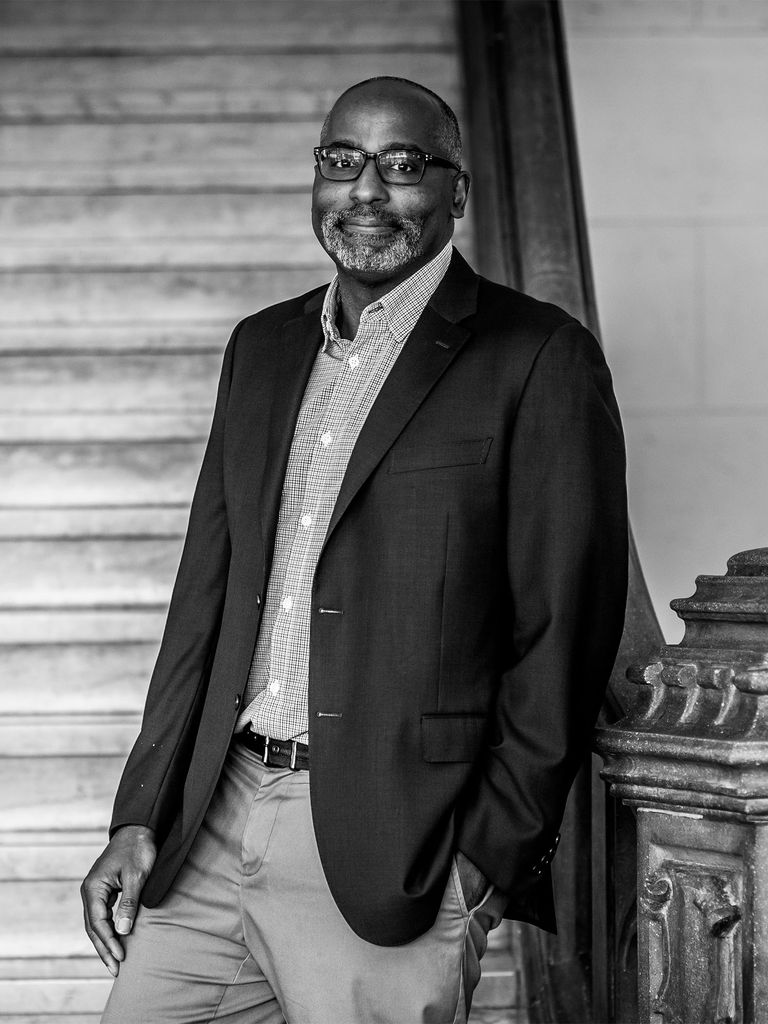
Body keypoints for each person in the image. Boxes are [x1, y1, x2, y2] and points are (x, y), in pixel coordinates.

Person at [81, 76, 628, 1024]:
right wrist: (142, 812)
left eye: (403, 165)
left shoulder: (539, 355)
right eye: (342, 161)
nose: (366, 189)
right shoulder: (259, 349)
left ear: (457, 191)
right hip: (212, 819)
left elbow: (565, 633)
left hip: (390, 850)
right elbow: (203, 598)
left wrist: (487, 861)